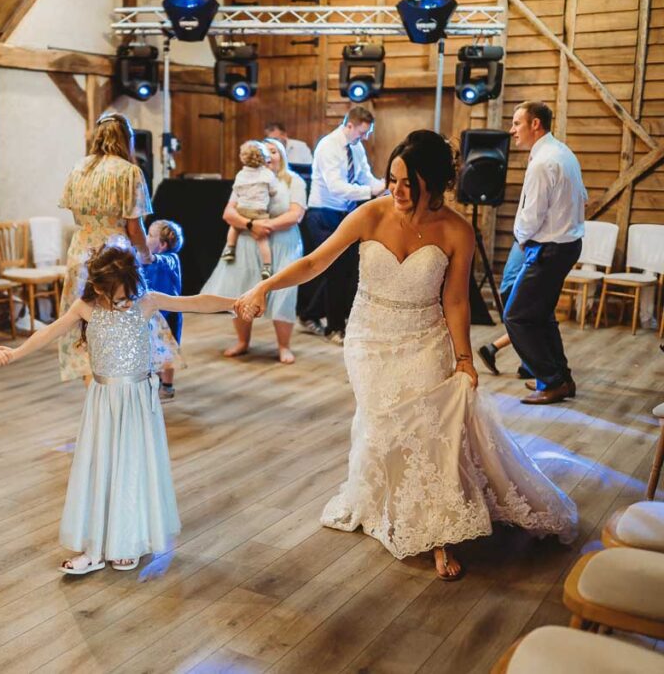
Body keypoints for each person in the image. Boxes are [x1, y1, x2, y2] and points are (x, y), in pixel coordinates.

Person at [235, 130, 578, 580]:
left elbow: (455, 301)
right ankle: (392, 503)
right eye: (392, 180)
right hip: (369, 338)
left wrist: (464, 359)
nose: (396, 191)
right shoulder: (369, 215)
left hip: (425, 335)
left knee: (432, 431)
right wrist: (264, 285)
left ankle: (438, 533)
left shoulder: (457, 231)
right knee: (383, 425)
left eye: (408, 185)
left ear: (434, 185)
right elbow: (316, 262)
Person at [0, 247, 234, 574]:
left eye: (122, 297)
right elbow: (48, 332)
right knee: (100, 467)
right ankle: (94, 547)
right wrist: (16, 353)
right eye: (110, 296)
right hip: (103, 400)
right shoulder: (86, 307)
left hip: (136, 399)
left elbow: (195, 302)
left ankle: (128, 541)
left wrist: (236, 303)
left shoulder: (144, 302)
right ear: (96, 286)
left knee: (131, 466)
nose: (117, 303)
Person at [58, 112, 181, 383]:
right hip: (114, 253)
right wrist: (147, 256)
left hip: (80, 251)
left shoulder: (79, 168)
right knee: (123, 323)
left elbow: (75, 214)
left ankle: (93, 387)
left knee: (86, 322)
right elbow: (134, 228)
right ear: (127, 139)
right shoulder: (129, 172)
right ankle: (125, 388)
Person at [504, 101, 586, 405]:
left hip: (549, 249)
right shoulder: (562, 152)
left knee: (516, 317)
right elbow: (583, 197)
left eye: (517, 123)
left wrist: (521, 241)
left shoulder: (543, 162)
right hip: (565, 245)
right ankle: (561, 378)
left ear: (535, 124)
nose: (512, 130)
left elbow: (531, 215)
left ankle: (552, 381)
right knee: (541, 316)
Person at [201, 138, 306, 364]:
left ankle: (283, 346)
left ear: (281, 155)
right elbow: (229, 213)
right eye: (265, 152)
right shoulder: (247, 177)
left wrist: (266, 226)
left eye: (273, 151)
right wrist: (251, 225)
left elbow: (296, 214)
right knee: (241, 291)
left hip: (282, 243)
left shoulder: (292, 180)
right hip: (248, 243)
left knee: (283, 294)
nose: (269, 156)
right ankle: (242, 341)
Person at [298, 107, 387, 344]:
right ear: (349, 125)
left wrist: (384, 186)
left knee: (347, 269)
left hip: (344, 214)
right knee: (335, 270)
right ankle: (334, 329)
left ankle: (309, 314)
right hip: (322, 213)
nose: (365, 137)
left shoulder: (356, 147)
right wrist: (370, 191)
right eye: (362, 132)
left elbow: (365, 176)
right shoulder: (328, 146)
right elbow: (335, 186)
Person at [221, 140, 281, 279]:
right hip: (259, 211)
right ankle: (267, 266)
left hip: (242, 208)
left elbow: (237, 189)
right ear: (264, 157)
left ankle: (230, 248)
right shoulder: (267, 174)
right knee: (261, 239)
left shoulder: (241, 175)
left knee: (234, 227)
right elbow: (273, 190)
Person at [476, 241, 533, 379]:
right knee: (531, 325)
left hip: (509, 287)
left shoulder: (522, 236)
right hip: (516, 287)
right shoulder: (533, 240)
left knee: (526, 326)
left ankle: (527, 366)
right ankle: (492, 349)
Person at [143, 220, 184, 402]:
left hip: (170, 313)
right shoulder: (148, 259)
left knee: (169, 348)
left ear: (163, 245)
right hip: (153, 313)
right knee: (153, 347)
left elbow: (156, 260)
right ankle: (157, 379)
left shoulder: (169, 259)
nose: (145, 238)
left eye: (150, 235)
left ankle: (167, 386)